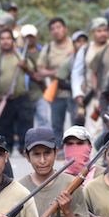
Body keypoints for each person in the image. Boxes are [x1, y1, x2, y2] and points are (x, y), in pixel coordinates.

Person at [0, 28, 35, 153]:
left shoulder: (20, 56)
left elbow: (32, 72)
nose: (5, 41)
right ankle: (7, 150)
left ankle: (25, 149)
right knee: (5, 126)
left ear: (13, 41)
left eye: (8, 38)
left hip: (21, 96)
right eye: (2, 39)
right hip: (3, 99)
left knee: (25, 124)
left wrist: (25, 66)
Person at [37, 17, 74, 146]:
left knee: (76, 125)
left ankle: (76, 150)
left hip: (73, 91)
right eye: (53, 29)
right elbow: (40, 70)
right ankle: (58, 149)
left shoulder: (74, 45)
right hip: (56, 92)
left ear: (65, 29)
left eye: (59, 27)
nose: (56, 31)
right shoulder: (48, 48)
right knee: (57, 124)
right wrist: (56, 73)